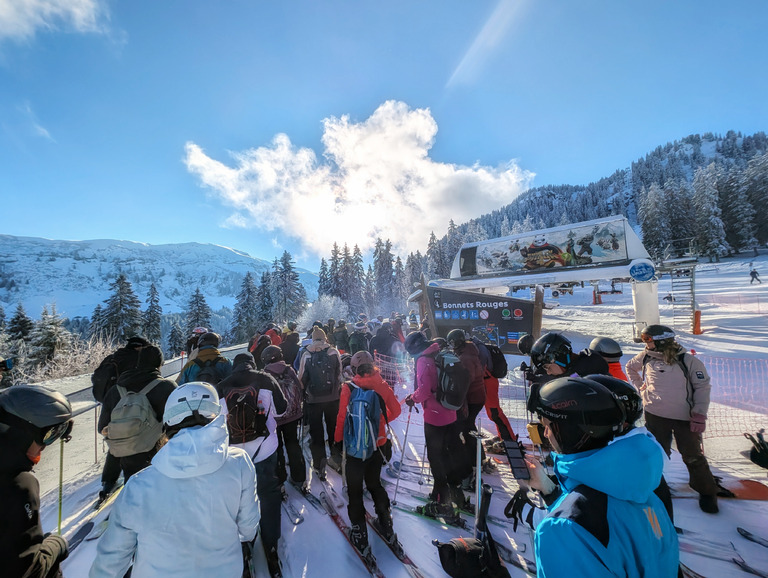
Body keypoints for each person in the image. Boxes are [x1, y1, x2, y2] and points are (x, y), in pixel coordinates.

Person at [90, 382, 260, 578]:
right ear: (218, 417)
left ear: (168, 424)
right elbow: (248, 529)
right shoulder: (239, 463)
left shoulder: (138, 485)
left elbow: (111, 560)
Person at [525, 376, 678, 577]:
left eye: (548, 425)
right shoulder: (645, 489)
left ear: (569, 431)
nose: (545, 434)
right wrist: (549, 490)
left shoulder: (562, 529)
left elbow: (582, 522)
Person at [625, 324, 720, 514]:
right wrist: (640, 387)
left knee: (693, 456)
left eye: (647, 339)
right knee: (656, 455)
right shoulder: (645, 357)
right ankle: (656, 488)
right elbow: (630, 367)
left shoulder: (688, 361)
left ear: (661, 341)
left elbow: (703, 387)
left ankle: (707, 492)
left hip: (685, 418)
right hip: (655, 414)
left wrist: (699, 415)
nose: (645, 343)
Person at [217, 353, 287, 576]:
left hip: (233, 454)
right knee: (268, 495)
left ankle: (243, 545)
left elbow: (216, 421)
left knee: (238, 499)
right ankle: (271, 545)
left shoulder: (221, 387)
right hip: (265, 448)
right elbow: (282, 410)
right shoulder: (266, 379)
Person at [333, 351, 402, 561]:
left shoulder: (348, 387)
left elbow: (342, 416)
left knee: (354, 492)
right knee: (374, 484)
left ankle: (360, 535)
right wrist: (379, 422)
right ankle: (386, 524)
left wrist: (338, 440)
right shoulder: (381, 385)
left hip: (355, 448)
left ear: (354, 369)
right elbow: (396, 410)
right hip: (378, 445)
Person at [1, 384, 73, 578]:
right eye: (48, 435)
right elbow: (28, 571)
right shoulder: (19, 485)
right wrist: (56, 545)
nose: (46, 446)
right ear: (20, 434)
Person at [98, 342, 176, 480]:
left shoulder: (116, 390)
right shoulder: (167, 387)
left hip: (124, 456)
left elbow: (102, 426)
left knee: (132, 489)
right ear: (159, 365)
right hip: (157, 459)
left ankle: (107, 485)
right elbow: (177, 425)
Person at [403, 332, 462, 517]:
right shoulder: (439, 351)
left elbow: (425, 390)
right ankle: (456, 492)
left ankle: (441, 498)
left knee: (435, 456)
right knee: (448, 452)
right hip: (451, 410)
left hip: (435, 415)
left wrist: (412, 398)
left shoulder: (423, 360)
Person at [91, 337, 154, 503]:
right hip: (132, 405)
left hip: (112, 403)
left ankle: (107, 483)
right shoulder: (137, 359)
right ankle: (134, 489)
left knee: (116, 442)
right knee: (132, 441)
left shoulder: (114, 357)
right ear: (140, 347)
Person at [297, 327, 343, 479]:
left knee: (316, 433)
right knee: (333, 429)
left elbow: (301, 379)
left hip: (313, 401)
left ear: (312, 339)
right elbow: (339, 374)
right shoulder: (333, 352)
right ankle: (336, 460)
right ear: (324, 338)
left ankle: (319, 465)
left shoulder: (307, 354)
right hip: (333, 399)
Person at [262, 345, 306, 492]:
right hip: (293, 415)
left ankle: (280, 481)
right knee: (293, 445)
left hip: (275, 419)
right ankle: (299, 478)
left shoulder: (265, 374)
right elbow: (300, 387)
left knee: (277, 449)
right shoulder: (288, 369)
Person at [446, 328, 485, 496]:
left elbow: (466, 380)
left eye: (453, 343)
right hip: (475, 395)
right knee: (468, 426)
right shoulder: (466, 351)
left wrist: (460, 399)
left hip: (473, 397)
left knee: (467, 427)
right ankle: (478, 455)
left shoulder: (466, 357)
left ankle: (475, 457)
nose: (452, 346)